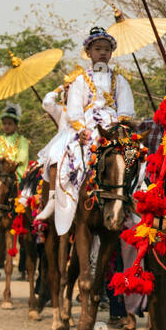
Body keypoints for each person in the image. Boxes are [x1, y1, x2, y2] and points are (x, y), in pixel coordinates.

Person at [48, 28, 135, 235]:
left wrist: (120, 127)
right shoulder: (79, 80)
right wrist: (82, 130)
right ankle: (58, 200)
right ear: (89, 52)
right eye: (98, 49)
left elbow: (126, 109)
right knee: (56, 154)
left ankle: (133, 198)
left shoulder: (120, 80)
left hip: (114, 127)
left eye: (106, 49)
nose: (102, 53)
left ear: (111, 53)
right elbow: (75, 111)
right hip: (85, 126)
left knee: (136, 156)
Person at [33, 83, 72, 222]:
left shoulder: (89, 110)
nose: (71, 92)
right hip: (62, 145)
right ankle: (52, 199)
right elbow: (47, 103)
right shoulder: (61, 110)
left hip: (82, 141)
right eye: (68, 90)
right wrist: (60, 88)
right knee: (54, 155)